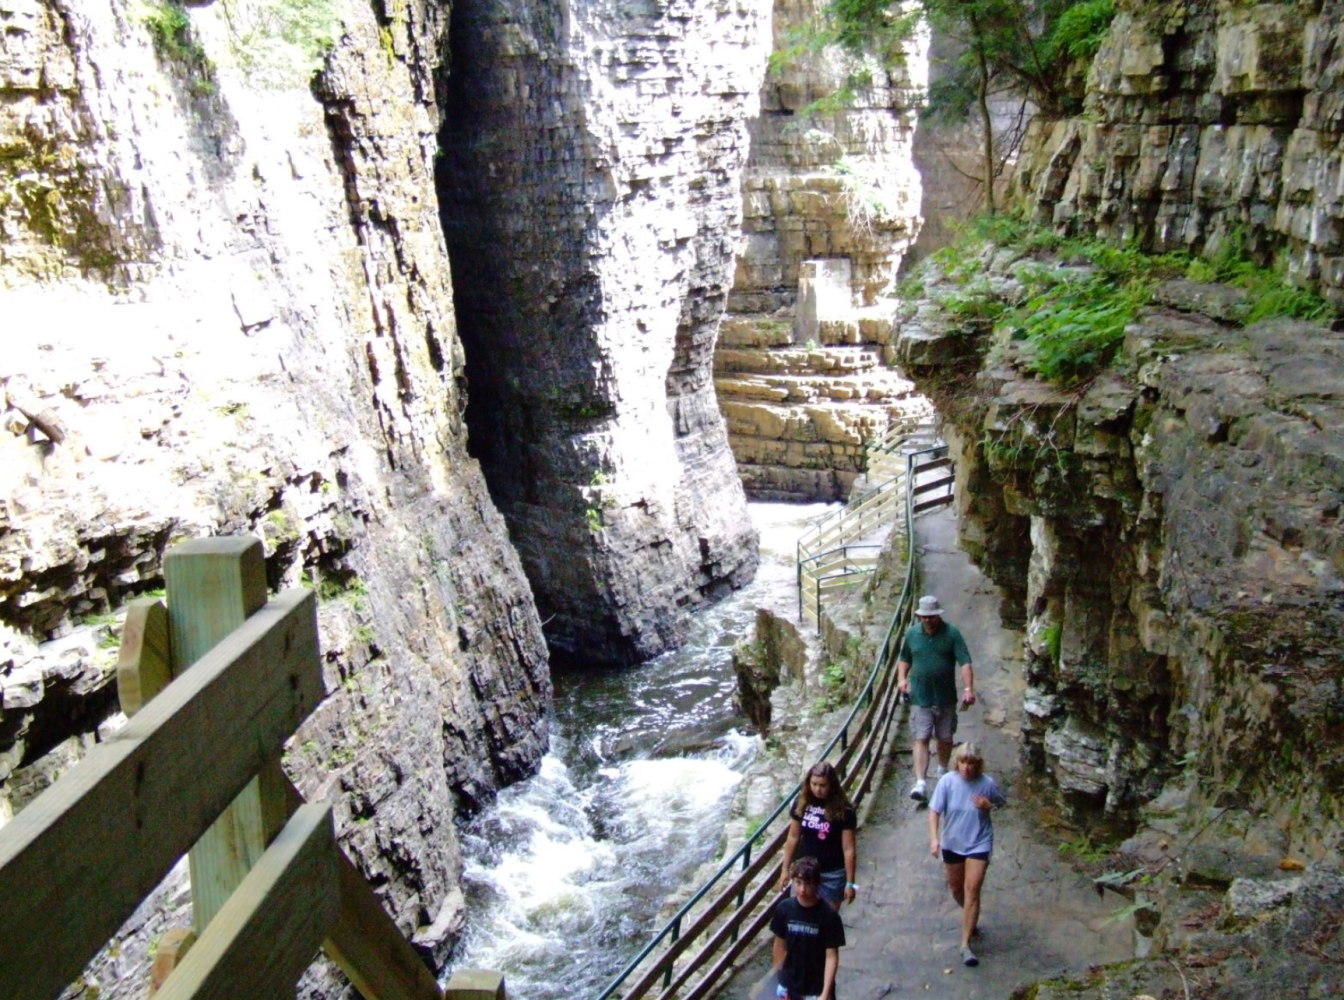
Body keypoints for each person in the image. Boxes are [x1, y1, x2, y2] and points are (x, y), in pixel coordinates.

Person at [928, 742, 1006, 967]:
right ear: (957, 763)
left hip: (979, 843)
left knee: (972, 890)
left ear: (978, 765)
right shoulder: (947, 782)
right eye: (963, 762)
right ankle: (971, 917)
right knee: (957, 889)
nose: (967, 768)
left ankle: (965, 945)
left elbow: (1001, 803)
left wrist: (988, 805)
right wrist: (934, 838)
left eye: (971, 763)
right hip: (952, 843)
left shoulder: (987, 784)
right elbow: (934, 811)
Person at [896, 594, 974, 803]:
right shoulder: (912, 634)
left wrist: (968, 688)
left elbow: (965, 662)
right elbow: (904, 659)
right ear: (920, 616)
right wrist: (902, 679)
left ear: (938, 616)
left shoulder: (951, 634)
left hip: (945, 696)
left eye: (931, 617)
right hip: (920, 697)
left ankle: (941, 771)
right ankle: (920, 782)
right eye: (924, 617)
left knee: (945, 737)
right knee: (921, 737)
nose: (928, 620)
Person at [776, 762, 857, 909]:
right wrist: (785, 869)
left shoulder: (845, 810)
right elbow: (793, 837)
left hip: (832, 873)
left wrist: (850, 883)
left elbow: (849, 848)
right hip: (804, 871)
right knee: (799, 914)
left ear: (831, 785)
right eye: (814, 784)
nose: (817, 789)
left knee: (827, 921)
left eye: (822, 785)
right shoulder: (802, 803)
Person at [771, 856, 846, 1000]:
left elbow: (832, 956)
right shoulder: (784, 909)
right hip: (790, 984)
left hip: (816, 988)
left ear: (817, 883)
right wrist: (779, 979)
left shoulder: (829, 916)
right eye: (798, 883)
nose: (802, 889)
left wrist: (825, 994)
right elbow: (779, 945)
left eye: (808, 883)